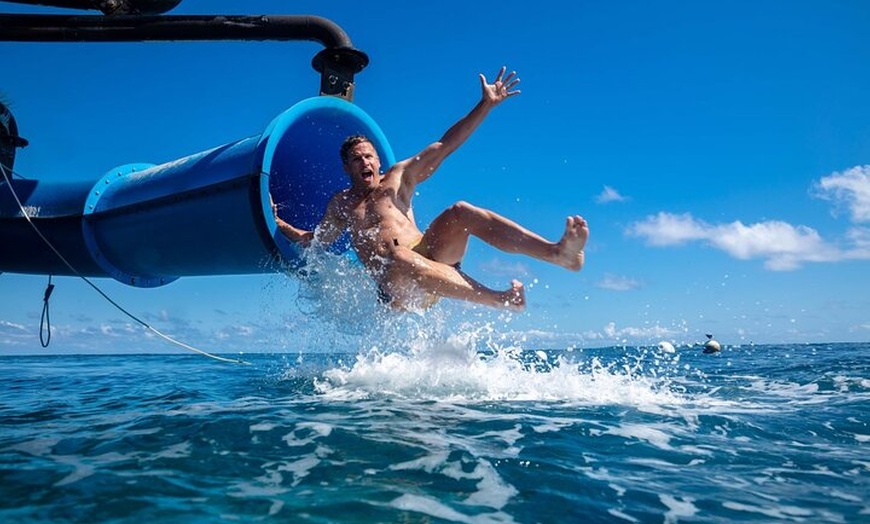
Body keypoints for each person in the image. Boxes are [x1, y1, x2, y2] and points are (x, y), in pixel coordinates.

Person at [273, 66, 588, 311]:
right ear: (347, 168)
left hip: (431, 261)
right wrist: (277, 222)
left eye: (369, 156)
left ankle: (556, 252)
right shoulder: (341, 204)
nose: (365, 163)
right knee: (397, 257)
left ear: (379, 161)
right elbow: (314, 241)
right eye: (357, 160)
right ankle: (496, 299)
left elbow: (444, 145)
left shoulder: (397, 179)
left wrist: (485, 106)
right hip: (394, 288)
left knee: (460, 211)